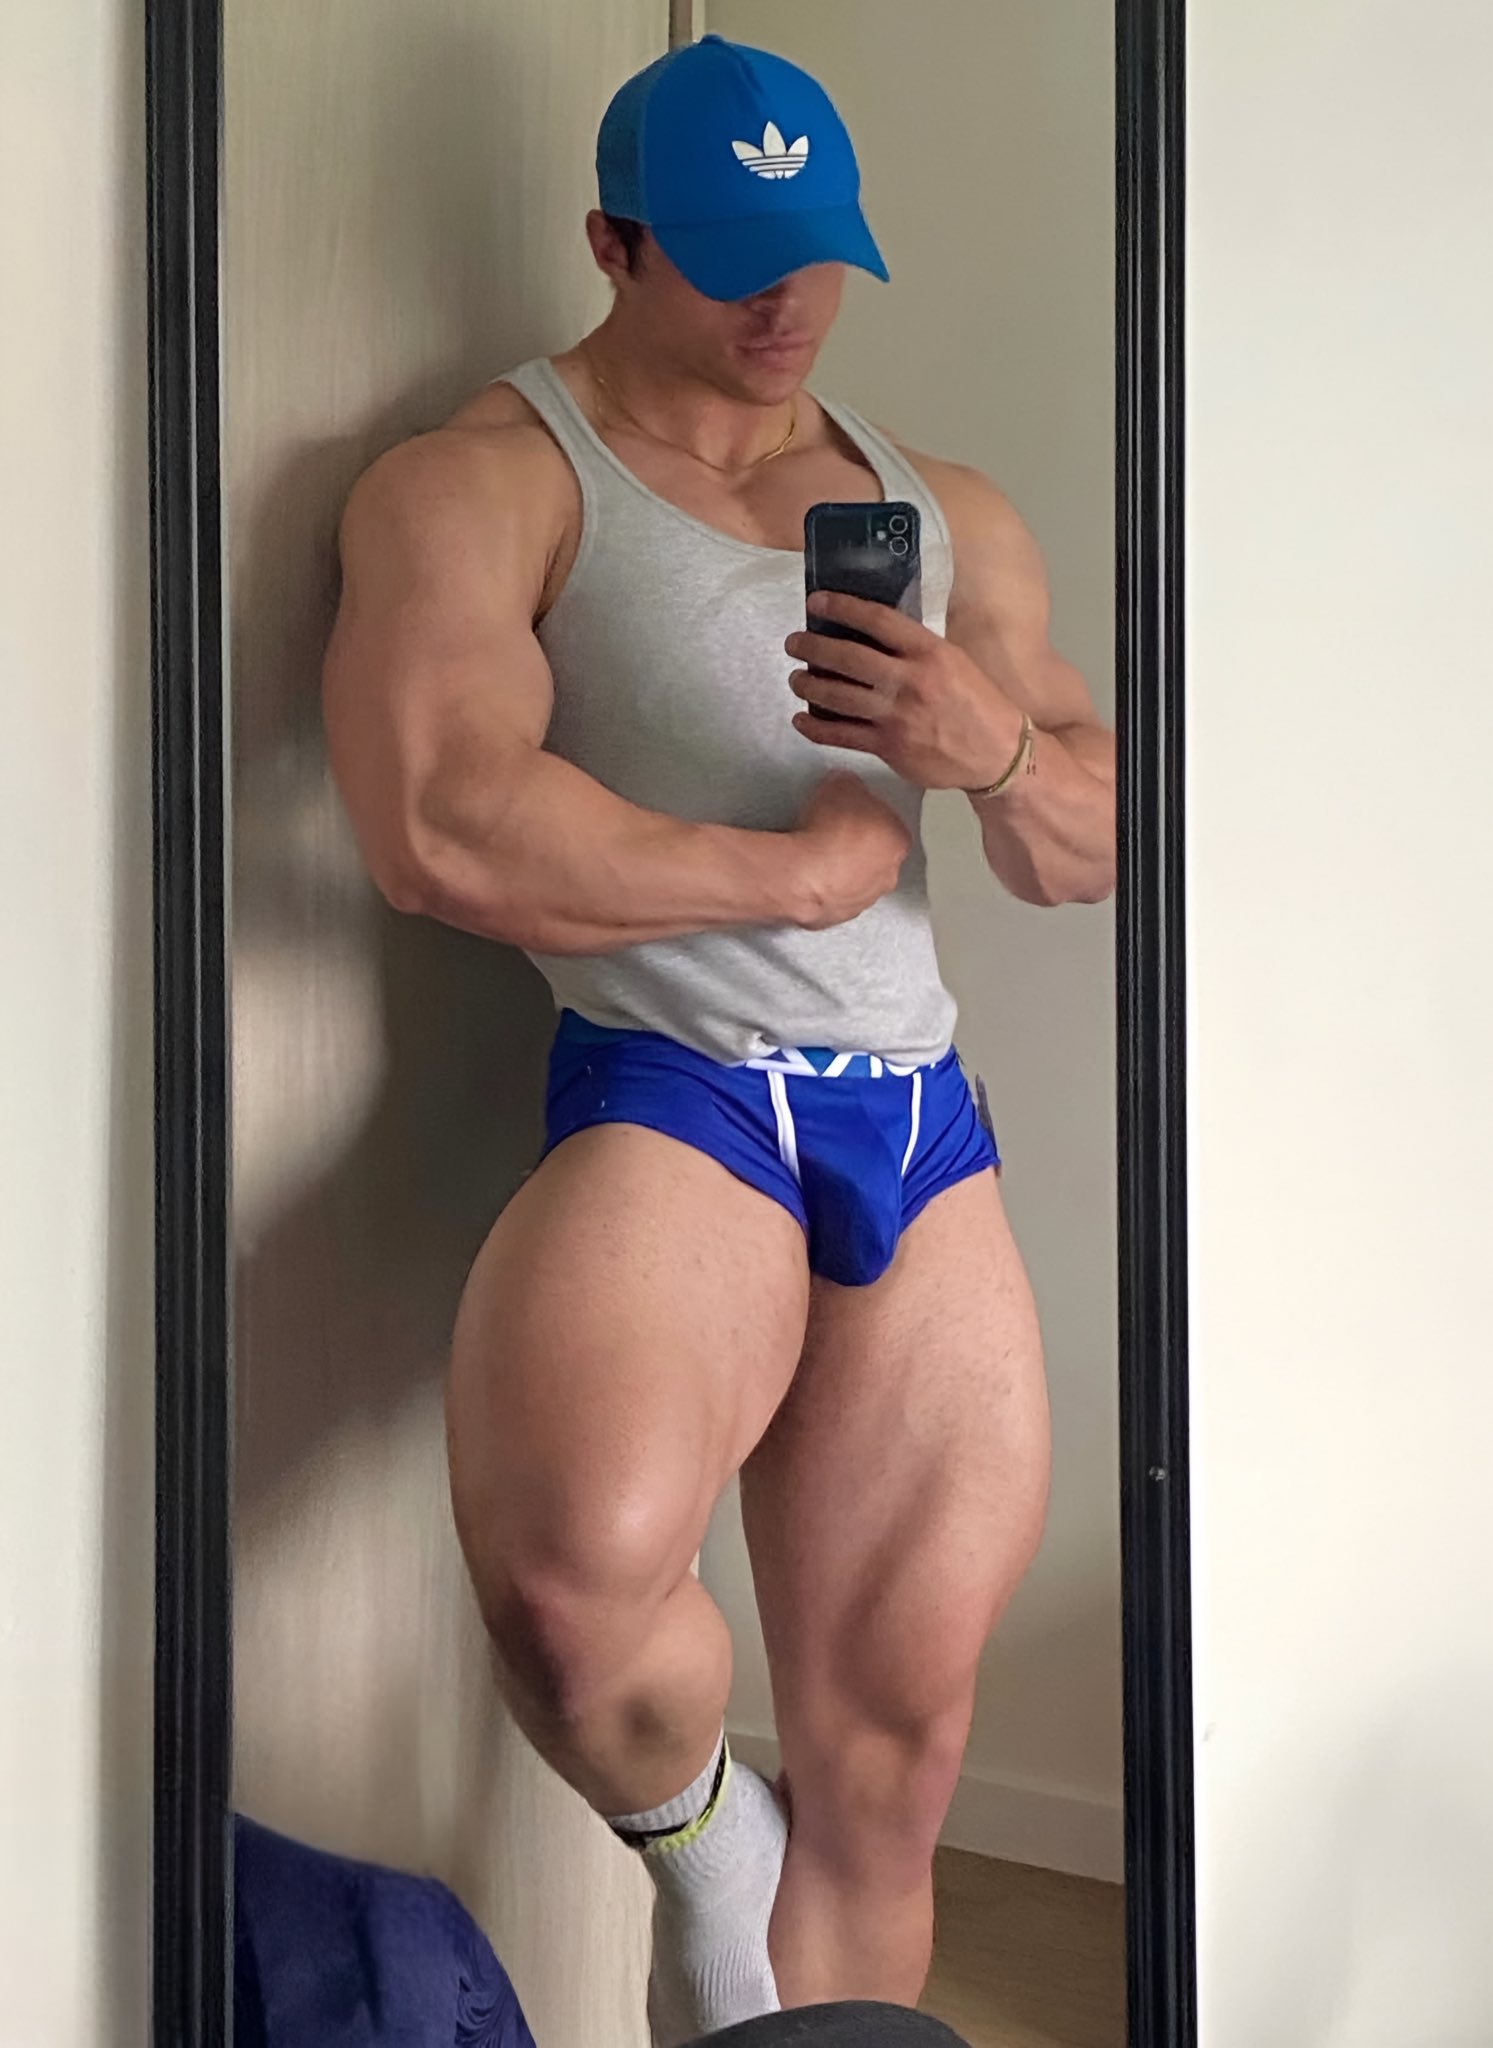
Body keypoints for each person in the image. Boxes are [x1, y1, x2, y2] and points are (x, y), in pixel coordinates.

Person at [323, 33, 1114, 2048]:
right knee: (572, 1600)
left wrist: (987, 750)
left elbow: (1091, 843)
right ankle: (699, 1840)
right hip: (685, 1091)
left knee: (901, 1743)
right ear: (613, 243)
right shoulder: (491, 484)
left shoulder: (943, 512)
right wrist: (784, 878)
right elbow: (435, 823)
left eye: (815, 255)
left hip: (917, 1121)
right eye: (731, 260)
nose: (786, 308)